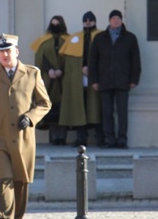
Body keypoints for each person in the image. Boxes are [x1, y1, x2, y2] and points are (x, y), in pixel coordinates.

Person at [0, 34, 51, 219]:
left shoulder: (32, 74)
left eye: (8, 50)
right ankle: (6, 215)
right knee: (5, 177)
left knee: (22, 180)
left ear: (17, 52)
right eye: (1, 51)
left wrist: (31, 116)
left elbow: (45, 103)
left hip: (24, 138)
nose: (5, 55)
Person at [89, 9, 141, 148]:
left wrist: (134, 79)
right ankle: (109, 139)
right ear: (109, 20)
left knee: (122, 112)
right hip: (104, 81)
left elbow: (136, 60)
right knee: (107, 113)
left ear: (121, 20)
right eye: (113, 18)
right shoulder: (100, 38)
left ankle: (122, 139)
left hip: (123, 81)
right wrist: (94, 80)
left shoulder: (130, 38)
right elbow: (93, 61)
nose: (116, 20)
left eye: (118, 18)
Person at [59, 11, 103, 147]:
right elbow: (67, 61)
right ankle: (81, 138)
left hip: (96, 80)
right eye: (85, 20)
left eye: (91, 19)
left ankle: (100, 138)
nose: (88, 22)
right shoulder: (75, 38)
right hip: (78, 81)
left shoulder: (101, 36)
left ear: (95, 21)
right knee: (80, 108)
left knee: (97, 108)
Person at [31, 15, 69, 145]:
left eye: (57, 24)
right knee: (50, 104)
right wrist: (50, 70)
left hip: (64, 80)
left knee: (64, 106)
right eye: (53, 24)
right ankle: (54, 137)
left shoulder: (68, 40)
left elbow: (71, 59)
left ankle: (62, 137)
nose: (55, 27)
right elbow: (40, 58)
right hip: (49, 79)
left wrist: (61, 70)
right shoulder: (44, 41)